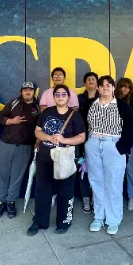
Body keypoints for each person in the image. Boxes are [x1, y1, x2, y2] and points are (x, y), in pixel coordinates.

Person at [27, 84, 86, 235]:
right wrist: (49, 137)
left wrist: (65, 140)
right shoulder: (47, 112)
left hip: (65, 159)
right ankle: (40, 222)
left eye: (63, 94)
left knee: (65, 191)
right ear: (54, 97)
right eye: (57, 94)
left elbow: (82, 137)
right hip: (45, 158)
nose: (60, 97)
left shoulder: (75, 116)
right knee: (42, 191)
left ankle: (64, 222)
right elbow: (38, 132)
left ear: (68, 97)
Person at [85, 75, 133, 235]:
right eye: (102, 85)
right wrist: (87, 145)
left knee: (113, 184)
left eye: (109, 85)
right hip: (94, 143)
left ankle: (113, 220)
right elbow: (83, 125)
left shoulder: (121, 105)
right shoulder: (91, 104)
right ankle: (99, 217)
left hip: (112, 145)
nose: (105, 87)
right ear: (98, 88)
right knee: (96, 182)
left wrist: (122, 148)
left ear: (113, 88)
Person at [0, 82, 40, 218]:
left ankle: (11, 202)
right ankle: (1, 202)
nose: (27, 92)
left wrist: (37, 141)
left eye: (30, 90)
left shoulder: (37, 107)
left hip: (25, 147)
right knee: (3, 176)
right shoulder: (13, 103)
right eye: (25, 89)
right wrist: (11, 121)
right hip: (6, 144)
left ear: (34, 92)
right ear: (21, 91)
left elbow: (40, 126)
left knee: (16, 177)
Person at [115, 77, 133, 210]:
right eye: (123, 86)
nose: (125, 89)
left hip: (130, 138)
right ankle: (116, 196)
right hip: (115, 139)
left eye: (128, 87)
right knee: (115, 169)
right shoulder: (113, 100)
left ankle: (132, 196)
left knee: (130, 169)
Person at [77, 72, 99, 213]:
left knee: (97, 170)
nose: (91, 81)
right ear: (85, 83)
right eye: (88, 79)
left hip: (98, 139)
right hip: (80, 139)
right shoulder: (78, 98)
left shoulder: (104, 98)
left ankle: (95, 199)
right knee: (83, 169)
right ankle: (86, 198)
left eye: (93, 79)